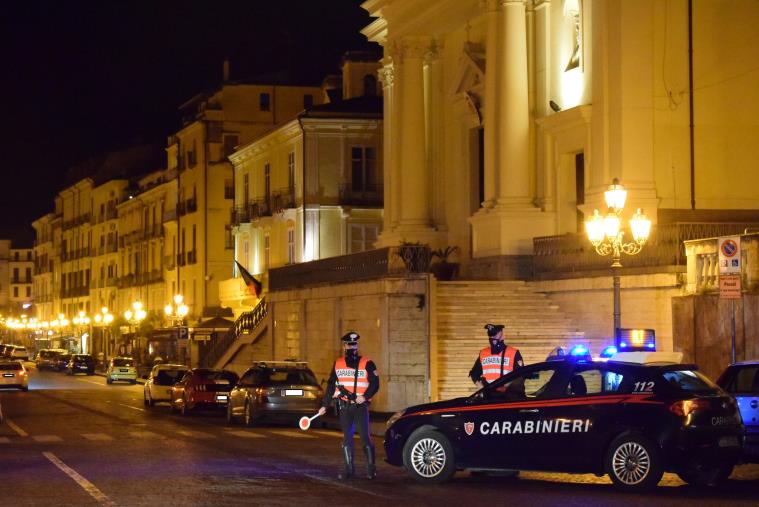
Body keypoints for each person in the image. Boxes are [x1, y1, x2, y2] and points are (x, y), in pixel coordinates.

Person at [317, 331, 379, 480]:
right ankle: (349, 470)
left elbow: (375, 384)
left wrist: (364, 396)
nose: (352, 347)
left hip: (360, 407)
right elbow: (331, 385)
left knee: (365, 437)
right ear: (344, 346)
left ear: (358, 345)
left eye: (354, 344)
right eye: (349, 344)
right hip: (344, 406)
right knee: (347, 438)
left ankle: (371, 469)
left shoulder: (368, 363)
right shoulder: (337, 364)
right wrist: (325, 404)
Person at [469, 323, 523, 388]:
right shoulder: (483, 353)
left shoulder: (513, 352)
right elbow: (474, 374)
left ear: (503, 336)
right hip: (489, 395)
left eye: (495, 335)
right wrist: (482, 389)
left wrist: (505, 387)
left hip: (508, 395)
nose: (492, 338)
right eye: (491, 336)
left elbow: (519, 373)